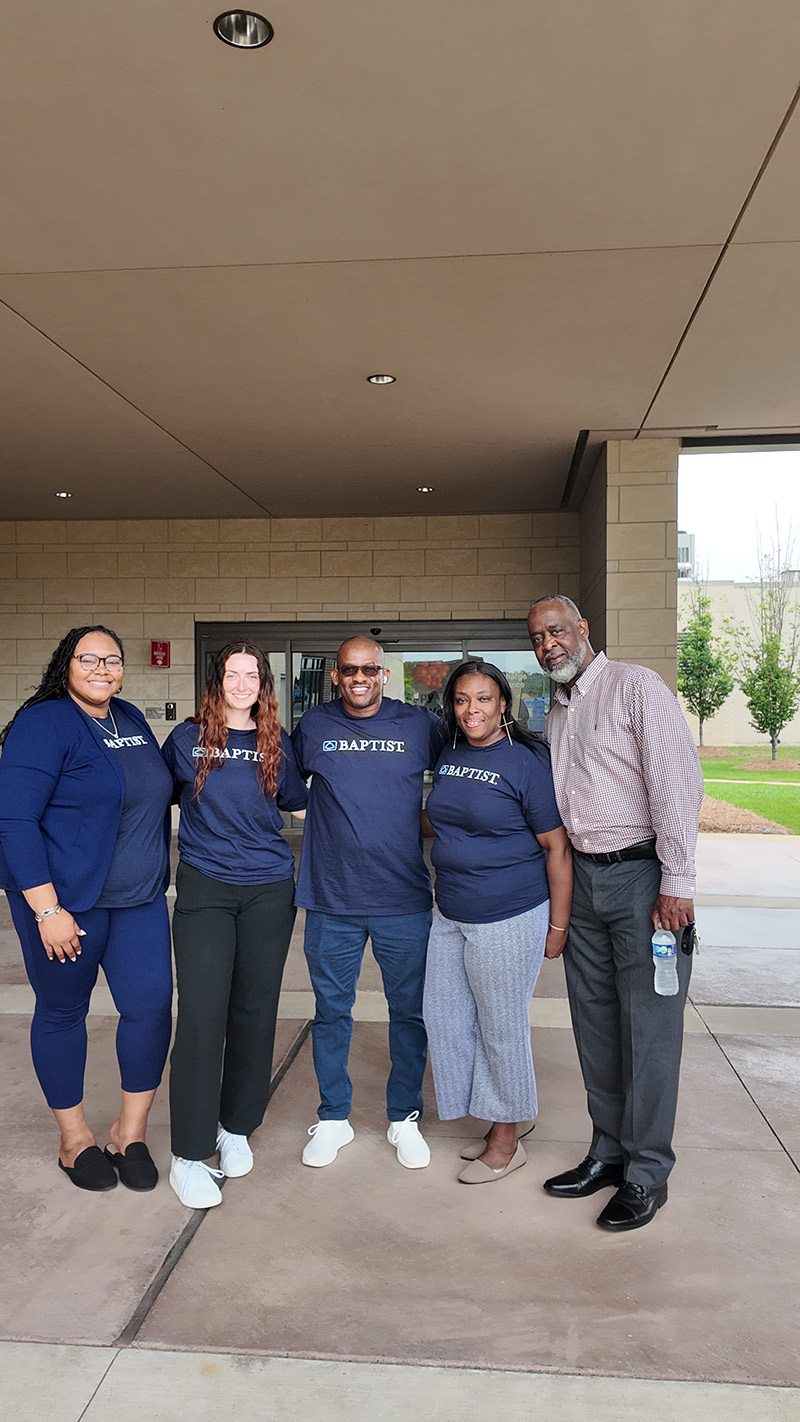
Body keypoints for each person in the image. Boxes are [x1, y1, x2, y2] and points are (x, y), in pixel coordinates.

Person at [527, 595, 704, 1232]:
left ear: (583, 629)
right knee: (596, 1025)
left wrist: (676, 882)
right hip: (584, 882)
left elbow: (678, 783)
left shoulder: (635, 687)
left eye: (556, 631)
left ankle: (647, 1172)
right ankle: (608, 1153)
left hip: (643, 880)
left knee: (649, 1033)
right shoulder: (556, 710)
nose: (548, 644)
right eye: (537, 637)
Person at [0, 626, 173, 1193]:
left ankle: (129, 1133)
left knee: (150, 1011)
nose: (102, 669)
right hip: (68, 905)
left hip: (138, 901)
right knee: (62, 1013)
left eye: (112, 660)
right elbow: (14, 821)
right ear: (66, 664)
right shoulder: (43, 723)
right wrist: (46, 910)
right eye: (89, 659)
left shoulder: (130, 718)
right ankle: (74, 1140)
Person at [162, 642, 308, 1209]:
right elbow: (151, 802)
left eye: (252, 675)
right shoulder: (187, 740)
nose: (243, 684)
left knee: (254, 1010)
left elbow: (302, 806)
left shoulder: (278, 743)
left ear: (264, 683)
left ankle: (236, 1126)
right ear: (216, 681)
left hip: (269, 890)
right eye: (232, 674)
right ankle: (189, 1153)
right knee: (202, 1017)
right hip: (206, 888)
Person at [291, 636, 442, 1169]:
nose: (359, 678)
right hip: (331, 897)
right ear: (335, 675)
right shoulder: (314, 726)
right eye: (349, 670)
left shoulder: (419, 726)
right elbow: (281, 784)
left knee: (409, 1013)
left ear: (383, 674)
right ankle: (334, 1117)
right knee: (332, 1012)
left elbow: (459, 781)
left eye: (369, 670)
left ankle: (404, 1117)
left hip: (402, 897)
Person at [421, 660, 572, 1184]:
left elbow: (556, 847)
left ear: (503, 703)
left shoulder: (525, 761)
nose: (472, 710)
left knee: (500, 1026)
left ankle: (507, 1139)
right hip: (450, 910)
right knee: (444, 1016)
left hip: (509, 913)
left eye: (483, 699)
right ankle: (501, 1113)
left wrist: (558, 927)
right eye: (462, 700)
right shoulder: (452, 752)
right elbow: (445, 817)